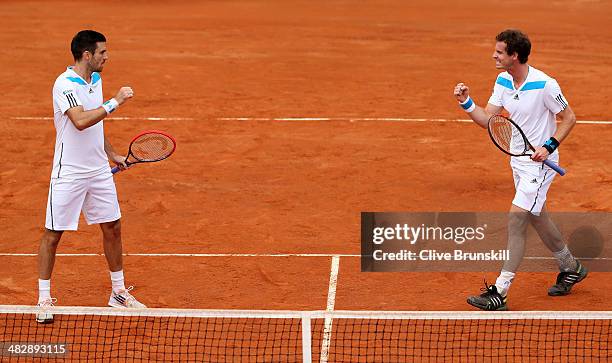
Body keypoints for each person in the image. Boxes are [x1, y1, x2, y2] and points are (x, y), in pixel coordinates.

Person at [453, 29, 586, 311]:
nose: (494, 55)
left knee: (517, 220)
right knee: (538, 216)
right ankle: (571, 266)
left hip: (540, 166)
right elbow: (488, 119)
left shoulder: (545, 85)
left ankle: (499, 291)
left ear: (515, 55)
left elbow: (569, 118)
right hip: (518, 161)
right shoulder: (503, 80)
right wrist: (466, 102)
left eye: (500, 52)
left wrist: (549, 146)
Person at [36, 30, 145, 323]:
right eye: (102, 53)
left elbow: (95, 125)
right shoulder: (64, 84)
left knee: (113, 227)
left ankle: (118, 292)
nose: (106, 57)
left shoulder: (95, 79)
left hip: (98, 169)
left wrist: (111, 153)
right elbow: (81, 121)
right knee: (53, 234)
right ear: (87, 55)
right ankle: (44, 298)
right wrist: (115, 102)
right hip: (69, 171)